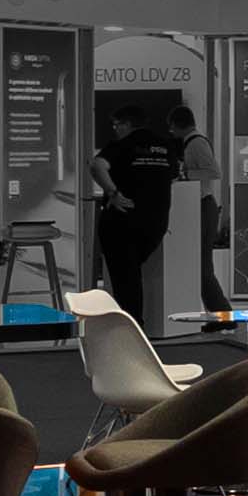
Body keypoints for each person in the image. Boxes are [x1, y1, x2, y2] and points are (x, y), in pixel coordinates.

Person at [98, 107, 187, 330]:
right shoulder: (165, 146)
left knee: (124, 277)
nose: (115, 129)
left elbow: (97, 166)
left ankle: (132, 327)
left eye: (117, 125)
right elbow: (174, 176)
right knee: (131, 273)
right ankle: (133, 324)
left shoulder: (122, 145)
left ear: (127, 124)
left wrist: (112, 192)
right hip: (155, 223)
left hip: (122, 221)